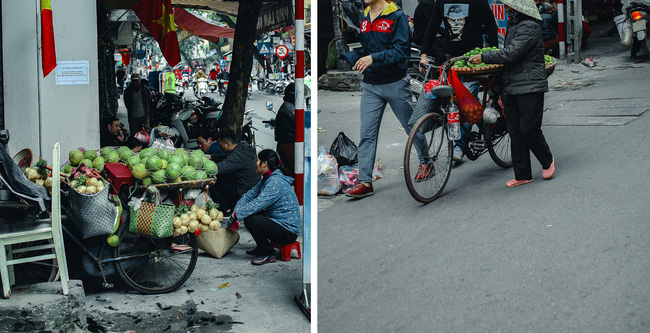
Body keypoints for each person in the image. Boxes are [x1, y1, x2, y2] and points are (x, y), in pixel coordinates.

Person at [340, 0, 431, 198]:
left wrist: (374, 58)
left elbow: (400, 53)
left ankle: (426, 161)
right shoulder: (364, 16)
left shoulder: (396, 16)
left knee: (411, 126)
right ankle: (365, 181)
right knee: (367, 134)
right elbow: (367, 48)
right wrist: (354, 56)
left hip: (395, 83)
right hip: (371, 84)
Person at [469, 0, 555, 187]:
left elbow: (512, 53)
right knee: (515, 131)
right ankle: (522, 174)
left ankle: (547, 160)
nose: (506, 8)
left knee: (529, 128)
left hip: (530, 85)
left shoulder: (529, 27)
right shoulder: (514, 25)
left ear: (517, 8)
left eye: (508, 6)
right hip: (512, 84)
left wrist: (484, 57)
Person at [420, 0, 499, 162]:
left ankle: (459, 145)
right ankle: (480, 126)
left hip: (473, 62)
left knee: (467, 101)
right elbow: (432, 27)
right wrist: (423, 54)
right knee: (451, 103)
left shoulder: (478, 2)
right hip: (451, 63)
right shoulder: (441, 2)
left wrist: (493, 54)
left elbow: (491, 26)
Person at [225, 149, 301, 266]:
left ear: (265, 163)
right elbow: (248, 196)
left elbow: (257, 204)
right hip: (277, 224)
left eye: (258, 160)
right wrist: (236, 213)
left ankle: (269, 253)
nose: (256, 163)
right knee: (250, 215)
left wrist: (235, 216)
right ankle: (262, 247)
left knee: (252, 218)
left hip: (288, 232)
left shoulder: (275, 182)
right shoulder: (267, 179)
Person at [208, 129, 260, 214]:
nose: (220, 148)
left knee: (212, 181)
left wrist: (202, 166)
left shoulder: (239, 154)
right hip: (249, 188)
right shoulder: (242, 146)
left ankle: (226, 209)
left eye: (221, 146)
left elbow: (219, 168)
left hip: (244, 193)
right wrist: (210, 157)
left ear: (227, 144)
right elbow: (225, 157)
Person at [412, 0, 448, 65]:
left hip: (432, 35)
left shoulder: (432, 3)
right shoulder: (425, 4)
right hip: (422, 36)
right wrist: (446, 33)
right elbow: (432, 25)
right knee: (439, 54)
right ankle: (436, 74)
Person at [274, 82, 296, 176]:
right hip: (288, 145)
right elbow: (300, 122)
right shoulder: (289, 107)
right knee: (295, 173)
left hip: (288, 144)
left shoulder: (288, 106)